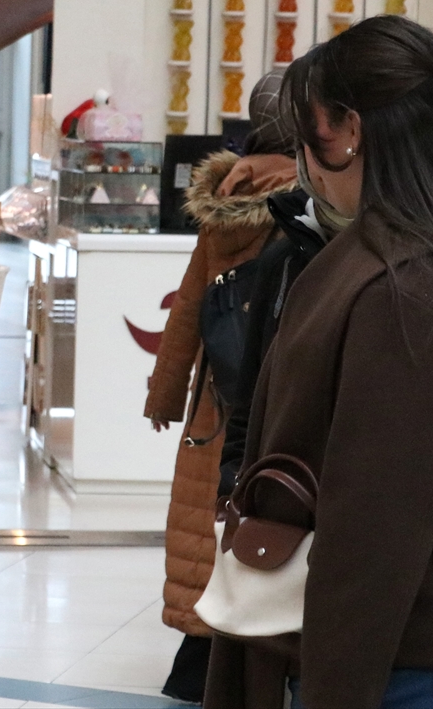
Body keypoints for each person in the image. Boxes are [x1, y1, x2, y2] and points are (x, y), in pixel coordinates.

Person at [205, 15, 433, 709]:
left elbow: (378, 517)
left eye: (307, 134)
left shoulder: (408, 282)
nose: (304, 161)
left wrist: (336, 687)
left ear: (350, 131)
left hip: (412, 648)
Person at [145, 71, 298, 703]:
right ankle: (247, 653)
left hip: (215, 398)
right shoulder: (314, 200)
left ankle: (196, 660)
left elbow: (189, 305)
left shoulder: (224, 198)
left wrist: (164, 392)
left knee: (203, 521)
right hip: (278, 385)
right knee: (263, 517)